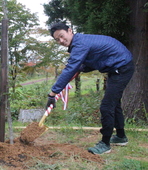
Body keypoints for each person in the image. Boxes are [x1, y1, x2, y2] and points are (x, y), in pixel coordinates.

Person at [46, 22, 134, 155]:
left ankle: (105, 144)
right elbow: (92, 60)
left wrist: (52, 93)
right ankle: (121, 137)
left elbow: (71, 68)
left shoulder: (80, 44)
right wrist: (80, 68)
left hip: (121, 67)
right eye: (57, 39)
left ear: (70, 31)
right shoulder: (80, 41)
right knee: (114, 104)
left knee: (107, 106)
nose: (61, 41)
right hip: (116, 67)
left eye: (62, 36)